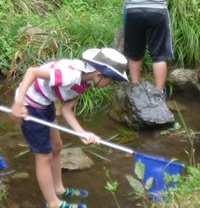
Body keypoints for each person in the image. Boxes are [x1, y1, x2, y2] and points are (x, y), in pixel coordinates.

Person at [10, 48, 128, 208]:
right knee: (44, 155)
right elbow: (32, 72)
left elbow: (66, 109)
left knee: (57, 146)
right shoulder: (70, 75)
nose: (110, 84)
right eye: (111, 80)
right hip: (29, 106)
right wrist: (18, 104)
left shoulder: (85, 81)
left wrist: (82, 133)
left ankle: (58, 188)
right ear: (100, 74)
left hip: (45, 103)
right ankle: (53, 203)